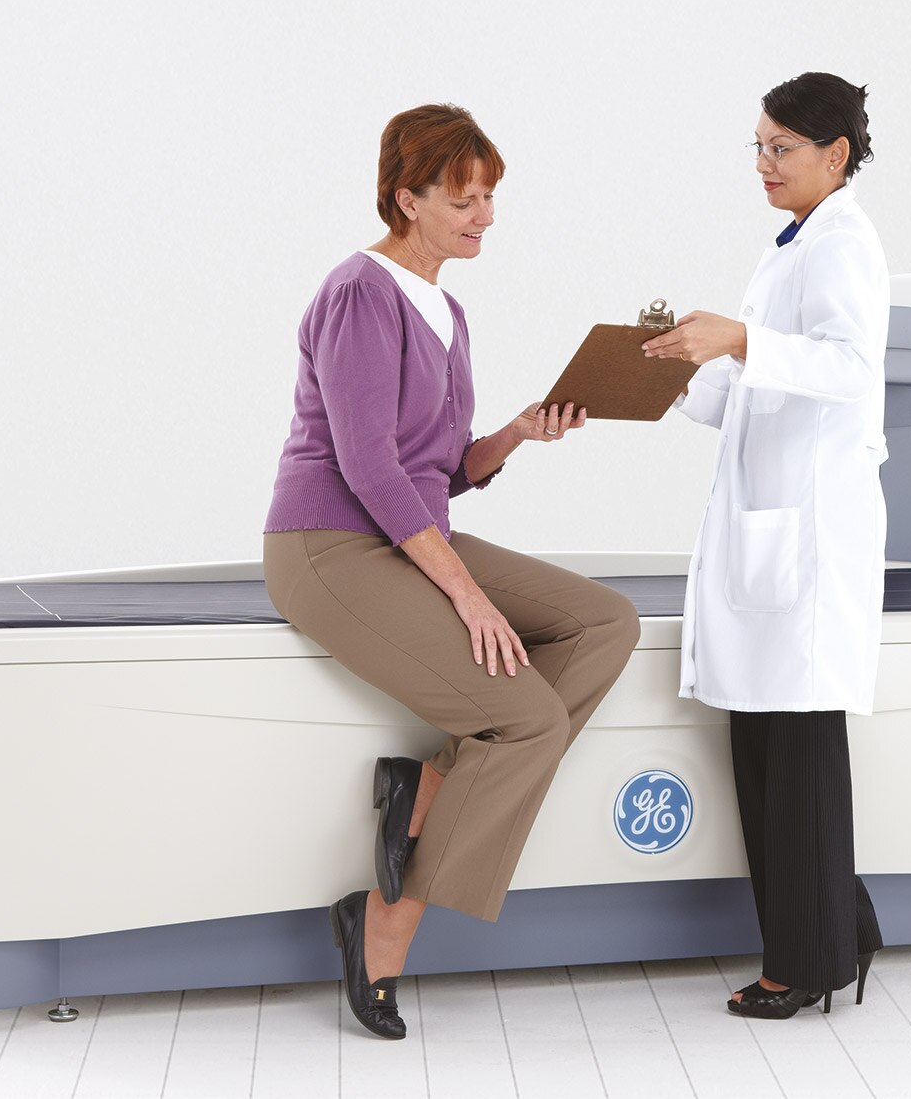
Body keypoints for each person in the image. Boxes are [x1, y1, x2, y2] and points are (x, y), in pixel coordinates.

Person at [262, 103, 641, 1040]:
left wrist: (514, 434)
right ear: (407, 199)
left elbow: (436, 469)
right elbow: (367, 467)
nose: (486, 217)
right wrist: (466, 594)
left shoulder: (448, 308)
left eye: (490, 198)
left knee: (606, 623)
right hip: (328, 545)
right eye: (464, 200)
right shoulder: (360, 292)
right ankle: (385, 925)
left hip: (407, 531)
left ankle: (429, 790)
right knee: (527, 718)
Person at [642, 72, 887, 1019]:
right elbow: (746, 395)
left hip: (809, 541)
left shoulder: (844, 243)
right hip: (770, 536)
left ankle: (807, 963)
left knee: (797, 759)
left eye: (780, 148)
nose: (763, 164)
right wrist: (668, 369)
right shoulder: (790, 245)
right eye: (758, 146)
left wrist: (740, 338)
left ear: (836, 154)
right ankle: (844, 932)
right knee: (772, 751)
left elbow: (851, 366)